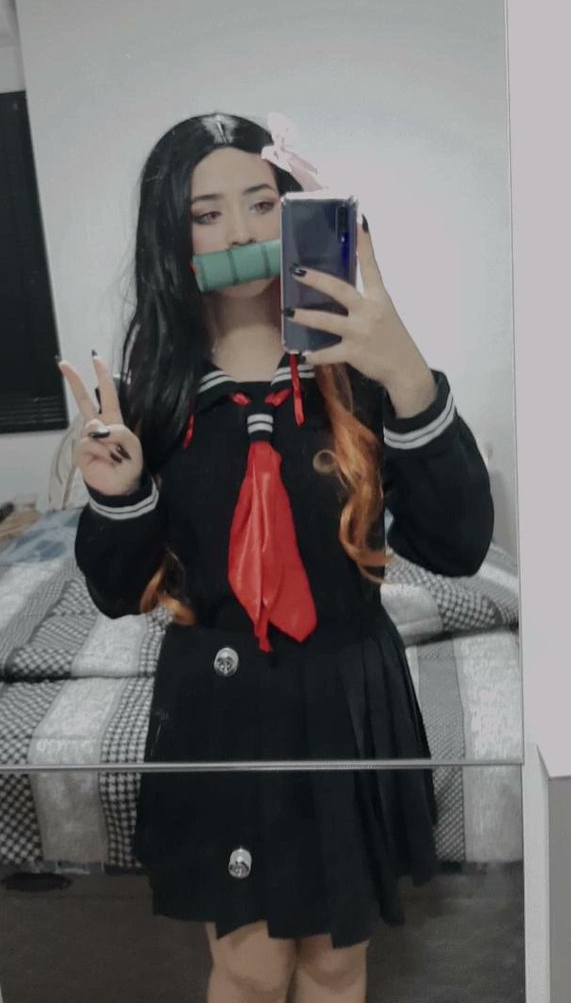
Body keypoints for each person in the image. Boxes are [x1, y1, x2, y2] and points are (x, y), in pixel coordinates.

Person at [58, 112, 494, 1003]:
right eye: (206, 214)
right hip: (217, 707)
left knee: (335, 962)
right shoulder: (155, 396)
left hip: (347, 695)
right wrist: (119, 494)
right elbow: (116, 592)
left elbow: (457, 546)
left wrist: (410, 377)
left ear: (297, 214)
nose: (240, 233)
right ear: (172, 237)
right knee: (249, 967)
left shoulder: (359, 371)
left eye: (262, 204)